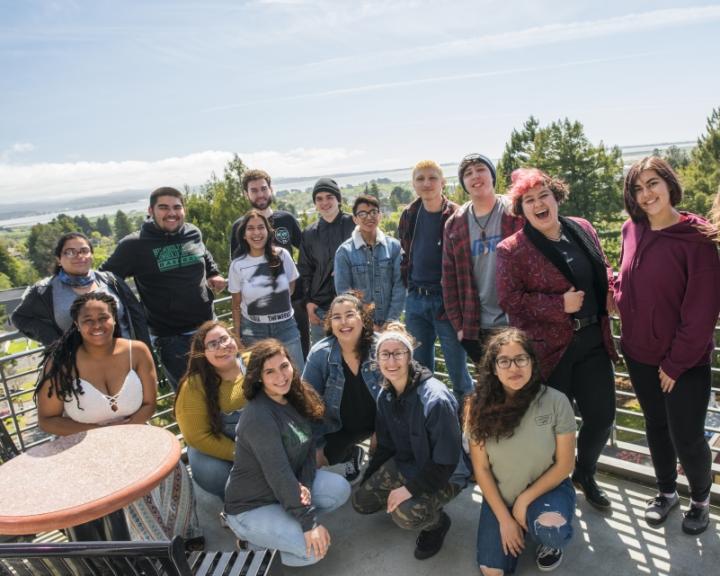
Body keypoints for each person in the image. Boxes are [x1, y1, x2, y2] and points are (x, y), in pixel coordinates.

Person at [496, 168, 617, 511]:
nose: (538, 204)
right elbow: (510, 302)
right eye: (528, 201)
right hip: (551, 352)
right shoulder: (511, 250)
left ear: (556, 197)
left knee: (602, 416)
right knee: (551, 427)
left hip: (593, 341)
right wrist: (557, 305)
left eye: (543, 196)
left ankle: (585, 473)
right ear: (522, 210)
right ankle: (554, 486)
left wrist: (611, 288)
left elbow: (602, 267)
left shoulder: (583, 228)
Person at [34, 291, 201, 541]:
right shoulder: (61, 364)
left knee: (173, 470)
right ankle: (150, 553)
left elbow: (148, 404)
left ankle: (184, 540)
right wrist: (100, 434)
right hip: (85, 447)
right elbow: (47, 419)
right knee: (127, 493)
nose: (97, 325)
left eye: (103, 317)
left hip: (136, 436)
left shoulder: (138, 351)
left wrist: (126, 433)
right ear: (77, 326)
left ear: (115, 319)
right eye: (88, 320)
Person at [614, 157, 720, 535]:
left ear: (669, 183)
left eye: (653, 183)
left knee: (688, 436)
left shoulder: (698, 238)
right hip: (638, 353)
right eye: (638, 188)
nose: (646, 194)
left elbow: (702, 311)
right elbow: (626, 277)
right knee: (657, 427)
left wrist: (675, 365)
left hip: (683, 364)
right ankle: (666, 492)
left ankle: (700, 501)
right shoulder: (631, 229)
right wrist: (616, 292)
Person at [224, 339, 351, 567]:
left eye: (284, 366)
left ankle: (286, 521)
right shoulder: (258, 417)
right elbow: (278, 473)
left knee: (339, 489)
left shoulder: (295, 397)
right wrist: (309, 523)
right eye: (270, 371)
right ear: (259, 377)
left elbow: (309, 449)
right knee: (313, 552)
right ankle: (251, 544)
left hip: (284, 488)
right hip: (251, 505)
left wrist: (304, 486)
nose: (281, 376)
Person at [466, 328, 576, 574]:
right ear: (494, 368)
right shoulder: (476, 407)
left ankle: (545, 535)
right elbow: (481, 469)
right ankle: (519, 524)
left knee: (551, 531)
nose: (513, 367)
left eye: (520, 359)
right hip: (501, 496)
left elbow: (565, 465)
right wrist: (505, 519)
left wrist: (524, 501)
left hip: (547, 489)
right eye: (504, 361)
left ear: (532, 363)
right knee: (492, 571)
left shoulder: (556, 401)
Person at [351, 323, 463, 560]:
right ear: (377, 360)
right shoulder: (385, 394)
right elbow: (386, 446)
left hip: (447, 474)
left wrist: (408, 490)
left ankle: (437, 522)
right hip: (408, 463)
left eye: (398, 353)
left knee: (405, 515)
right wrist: (369, 476)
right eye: (385, 354)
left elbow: (446, 463)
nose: (391, 361)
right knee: (362, 502)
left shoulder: (436, 399)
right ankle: (414, 499)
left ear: (409, 356)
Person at [101, 186, 226, 390]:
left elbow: (204, 254)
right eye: (164, 207)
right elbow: (105, 278)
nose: (171, 213)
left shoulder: (193, 232)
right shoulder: (134, 245)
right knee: (190, 398)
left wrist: (213, 272)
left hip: (209, 328)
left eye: (177, 207)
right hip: (172, 339)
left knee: (223, 387)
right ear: (151, 211)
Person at [398, 160, 473, 404]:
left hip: (447, 302)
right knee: (419, 369)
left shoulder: (457, 215)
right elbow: (406, 252)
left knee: (457, 370)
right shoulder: (409, 214)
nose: (426, 183)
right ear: (413, 184)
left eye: (432, 178)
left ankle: (467, 426)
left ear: (443, 182)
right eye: (420, 179)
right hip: (416, 300)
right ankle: (428, 419)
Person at [442, 154, 523, 363]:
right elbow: (449, 280)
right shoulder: (455, 224)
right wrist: (460, 328)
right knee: (493, 391)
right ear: (464, 184)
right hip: (477, 327)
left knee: (525, 387)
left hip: (519, 321)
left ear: (492, 175)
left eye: (480, 169)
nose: (475, 176)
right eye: (468, 173)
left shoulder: (516, 211)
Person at [11, 232, 150, 348]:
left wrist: (145, 353)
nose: (79, 256)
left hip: (126, 360)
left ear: (91, 255)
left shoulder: (111, 280)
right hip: (79, 369)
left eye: (84, 251)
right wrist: (54, 341)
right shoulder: (44, 290)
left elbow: (137, 317)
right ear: (59, 259)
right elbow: (20, 318)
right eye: (70, 252)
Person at [229, 169, 310, 356]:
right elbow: (237, 265)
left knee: (299, 359)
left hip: (293, 305)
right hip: (258, 317)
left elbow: (306, 253)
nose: (260, 194)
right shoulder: (239, 227)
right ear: (246, 194)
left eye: (263, 188)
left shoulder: (286, 219)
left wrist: (304, 288)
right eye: (254, 190)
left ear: (271, 189)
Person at [302, 292, 382, 481]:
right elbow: (306, 404)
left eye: (349, 315)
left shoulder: (382, 348)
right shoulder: (320, 354)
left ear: (362, 318)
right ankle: (350, 454)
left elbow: (400, 395)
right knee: (312, 462)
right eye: (337, 317)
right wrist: (315, 446)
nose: (344, 322)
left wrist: (383, 431)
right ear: (330, 323)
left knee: (375, 487)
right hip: (337, 427)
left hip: (379, 423)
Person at [175, 321, 246, 500]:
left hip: (257, 442)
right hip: (216, 448)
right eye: (213, 344)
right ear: (203, 353)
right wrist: (242, 454)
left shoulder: (254, 363)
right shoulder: (193, 386)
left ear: (234, 340)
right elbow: (197, 437)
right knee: (215, 472)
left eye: (224, 339)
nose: (222, 346)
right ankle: (232, 503)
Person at [228, 210, 304, 371]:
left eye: (261, 227)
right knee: (258, 381)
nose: (256, 232)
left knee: (297, 376)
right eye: (250, 228)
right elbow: (236, 304)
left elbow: (291, 286)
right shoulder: (237, 265)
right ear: (243, 234)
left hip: (286, 326)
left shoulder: (283, 255)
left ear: (268, 231)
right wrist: (237, 335)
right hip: (254, 331)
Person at [334, 195, 405, 330]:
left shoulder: (394, 247)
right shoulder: (344, 252)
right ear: (355, 219)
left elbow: (400, 286)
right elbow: (345, 294)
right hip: (360, 327)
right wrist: (367, 324)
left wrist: (391, 321)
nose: (369, 217)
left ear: (380, 215)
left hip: (391, 325)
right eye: (362, 214)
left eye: (373, 212)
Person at [298, 178, 354, 344]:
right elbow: (305, 270)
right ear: (315, 203)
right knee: (323, 359)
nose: (325, 202)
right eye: (319, 198)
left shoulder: (355, 225)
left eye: (329, 196)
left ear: (339, 199)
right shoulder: (309, 233)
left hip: (353, 306)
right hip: (320, 308)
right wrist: (308, 302)